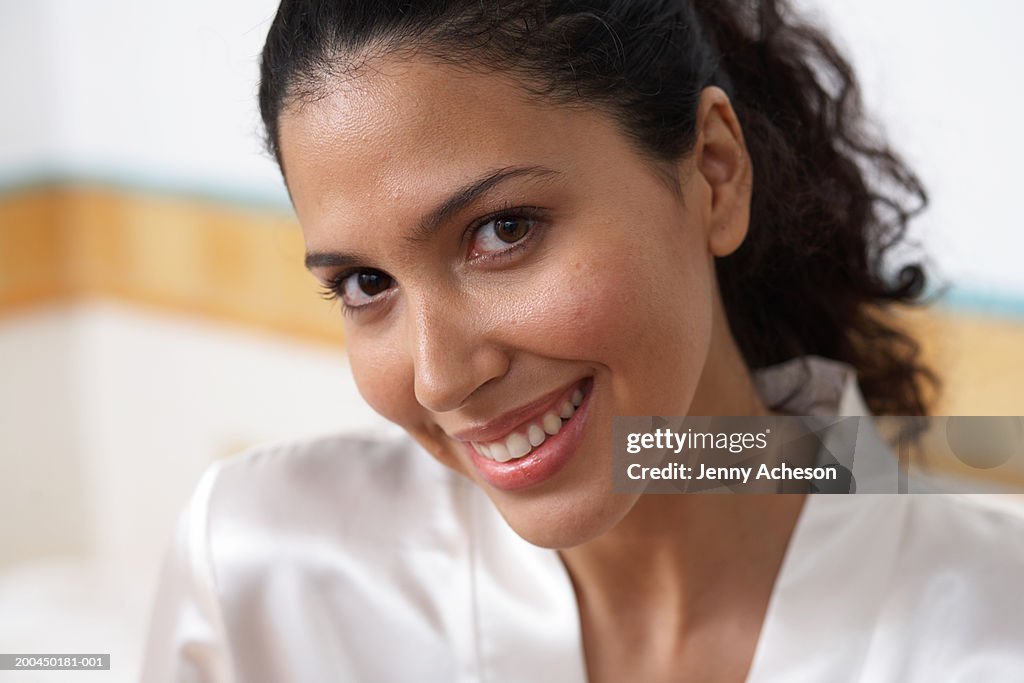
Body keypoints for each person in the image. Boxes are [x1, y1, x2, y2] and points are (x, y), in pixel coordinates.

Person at [142, 1, 1024, 681]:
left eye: (504, 230)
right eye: (366, 285)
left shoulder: (990, 632)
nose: (440, 377)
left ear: (714, 172)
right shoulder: (261, 577)